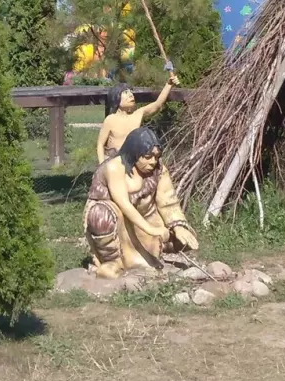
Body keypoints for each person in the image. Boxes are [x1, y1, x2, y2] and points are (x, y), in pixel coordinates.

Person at [83, 126, 199, 277]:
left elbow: (168, 200)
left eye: (157, 156)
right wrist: (151, 230)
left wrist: (177, 226)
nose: (153, 162)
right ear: (134, 153)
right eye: (148, 156)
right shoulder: (114, 167)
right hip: (116, 223)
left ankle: (151, 250)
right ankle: (113, 261)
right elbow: (124, 204)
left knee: (183, 238)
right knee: (100, 215)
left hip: (147, 219)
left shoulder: (158, 169)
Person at [96, 76, 178, 163]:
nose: (131, 95)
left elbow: (157, 104)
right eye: (126, 92)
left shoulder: (137, 115)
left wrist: (169, 85)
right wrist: (102, 164)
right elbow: (100, 144)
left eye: (131, 92)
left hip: (134, 161)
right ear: (116, 98)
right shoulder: (110, 120)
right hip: (114, 161)